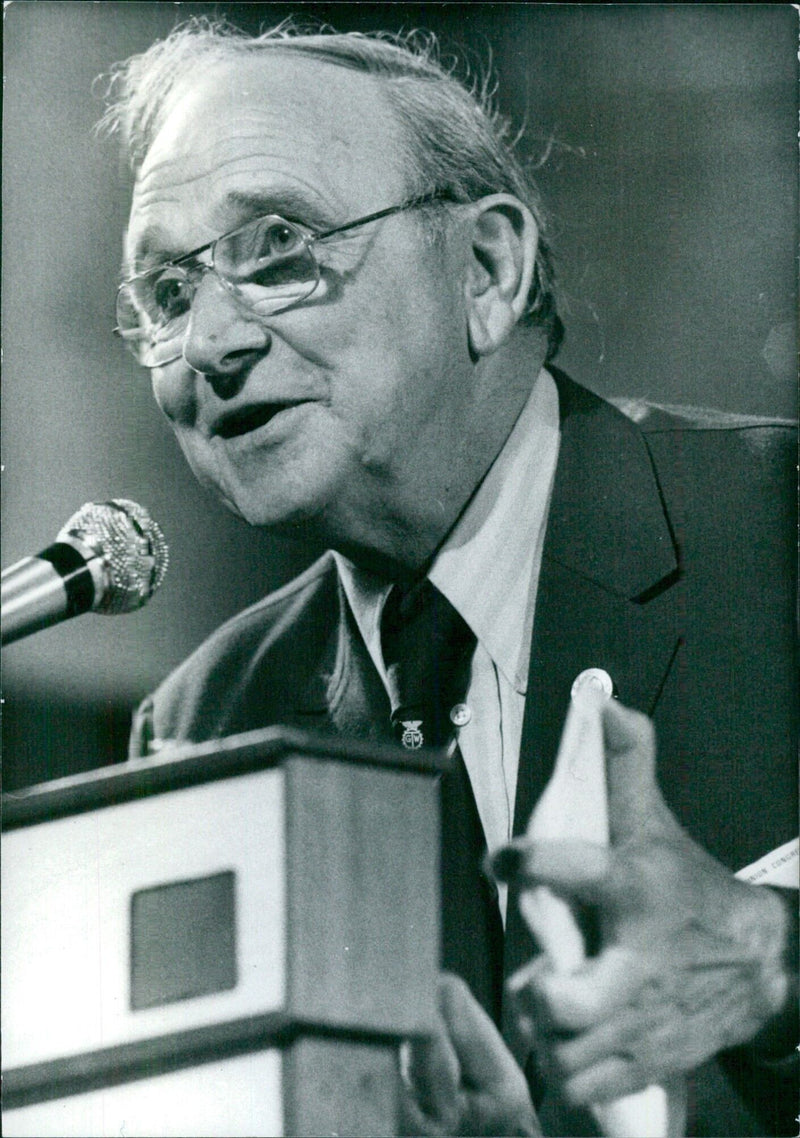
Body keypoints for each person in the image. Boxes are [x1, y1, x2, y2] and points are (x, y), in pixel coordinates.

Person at [103, 20, 797, 1136]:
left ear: (484, 270)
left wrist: (770, 958)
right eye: (168, 294)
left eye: (279, 247)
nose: (211, 343)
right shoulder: (202, 726)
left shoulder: (776, 525)